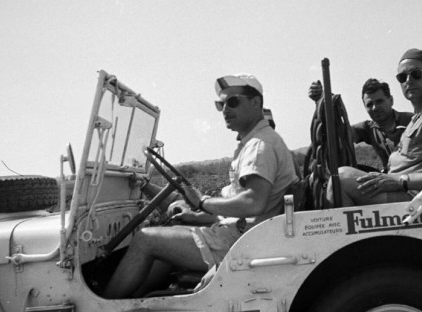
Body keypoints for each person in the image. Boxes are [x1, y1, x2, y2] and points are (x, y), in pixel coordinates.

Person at [104, 73, 297, 298]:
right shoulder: (256, 142)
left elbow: (253, 202)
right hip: (242, 234)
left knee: (145, 239)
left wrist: (203, 203)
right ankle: (137, 304)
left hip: (240, 241)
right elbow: (246, 207)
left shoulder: (259, 145)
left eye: (233, 102)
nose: (225, 109)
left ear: (256, 103)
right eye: (221, 104)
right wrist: (197, 215)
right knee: (169, 237)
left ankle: (102, 310)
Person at [329, 49, 422, 207]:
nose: (408, 80)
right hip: (402, 192)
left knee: (341, 180)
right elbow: (340, 134)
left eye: (416, 74)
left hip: (419, 199)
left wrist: (399, 181)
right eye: (402, 77)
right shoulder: (420, 116)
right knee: (336, 177)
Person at [308, 78, 413, 170]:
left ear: (391, 100)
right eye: (369, 104)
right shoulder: (368, 128)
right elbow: (340, 132)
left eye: (379, 101)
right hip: (389, 179)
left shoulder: (412, 121)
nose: (375, 108)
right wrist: (323, 99)